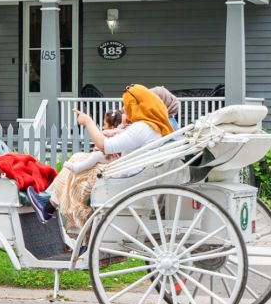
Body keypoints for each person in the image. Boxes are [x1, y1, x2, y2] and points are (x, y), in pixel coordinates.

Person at [35, 84, 174, 232]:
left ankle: (53, 208)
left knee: (78, 162)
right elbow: (120, 144)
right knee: (78, 157)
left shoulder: (142, 128)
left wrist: (88, 121)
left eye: (126, 105)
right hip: (131, 172)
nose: (124, 109)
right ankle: (49, 203)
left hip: (124, 178)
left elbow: (104, 145)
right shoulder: (152, 127)